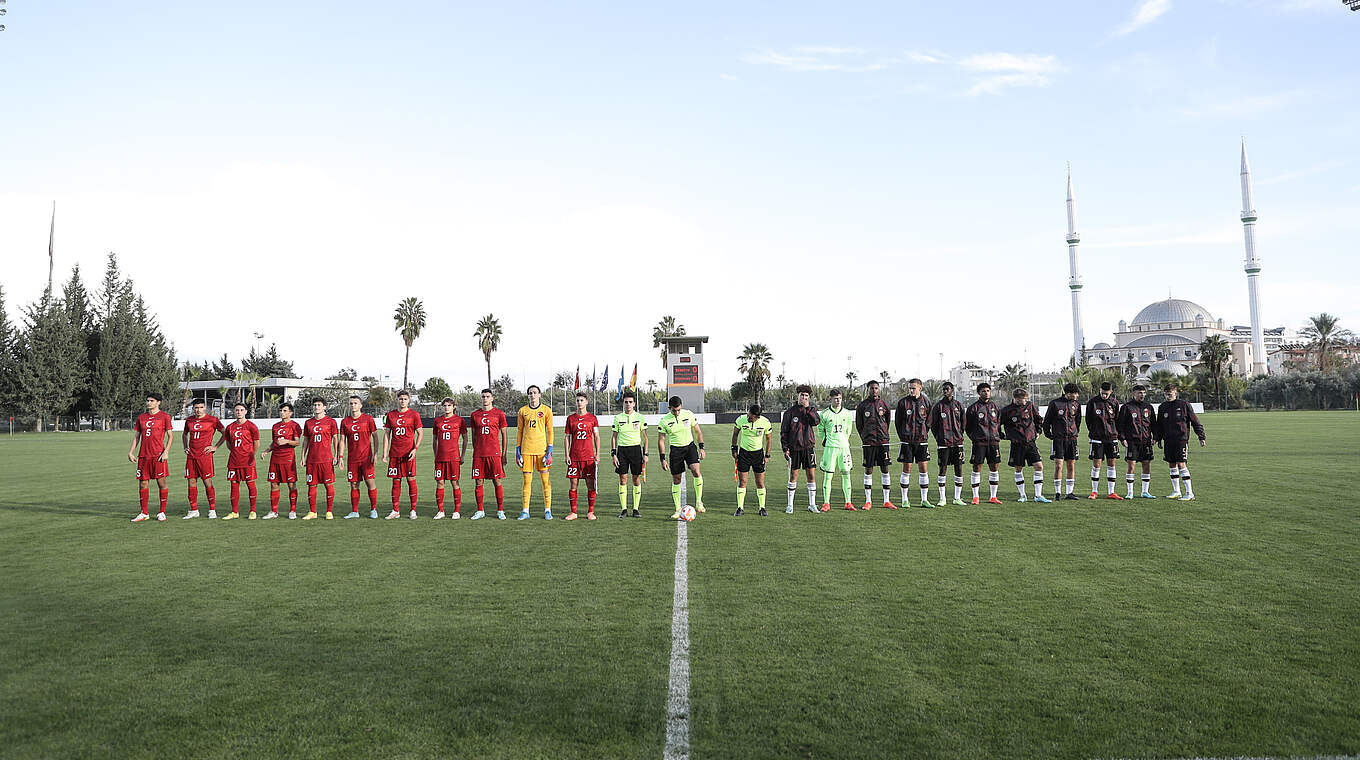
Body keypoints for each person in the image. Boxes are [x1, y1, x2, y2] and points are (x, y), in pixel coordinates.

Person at [999, 388, 1051, 503]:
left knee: (1039, 466)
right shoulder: (1006, 411)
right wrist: (1002, 435)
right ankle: (1022, 495)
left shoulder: (1030, 406)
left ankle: (1038, 495)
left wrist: (1038, 431)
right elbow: (997, 424)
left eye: (1025, 398)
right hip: (1017, 444)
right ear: (1015, 398)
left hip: (1030, 442)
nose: (1024, 401)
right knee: (1018, 469)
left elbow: (1038, 420)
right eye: (1022, 399)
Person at [1155, 383, 1206, 500]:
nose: (1168, 396)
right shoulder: (1163, 407)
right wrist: (1158, 438)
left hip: (1181, 439)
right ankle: (1176, 491)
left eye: (1170, 394)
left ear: (1176, 393)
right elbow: (1160, 425)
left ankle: (1189, 493)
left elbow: (1195, 421)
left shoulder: (1184, 405)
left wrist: (1201, 436)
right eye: (1166, 394)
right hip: (1168, 440)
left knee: (1181, 464)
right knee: (1171, 464)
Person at [129, 393, 174, 522]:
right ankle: (144, 513)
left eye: (152, 401)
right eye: (147, 400)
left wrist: (166, 452)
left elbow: (170, 436)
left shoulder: (164, 417)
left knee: (161, 483)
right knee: (143, 483)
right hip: (144, 456)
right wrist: (131, 452)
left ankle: (162, 512)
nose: (149, 403)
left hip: (158, 455)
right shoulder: (141, 417)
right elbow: (137, 436)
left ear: (158, 402)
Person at [658, 396, 705, 519]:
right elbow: (661, 440)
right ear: (669, 408)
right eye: (674, 410)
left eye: (679, 410)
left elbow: (698, 431)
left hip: (690, 447)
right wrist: (662, 458)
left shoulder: (688, 414)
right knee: (677, 479)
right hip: (675, 450)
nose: (677, 412)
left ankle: (699, 502)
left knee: (696, 470)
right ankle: (678, 509)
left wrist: (701, 448)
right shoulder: (664, 421)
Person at [180, 398, 226, 519]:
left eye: (201, 407)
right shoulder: (189, 420)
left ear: (205, 407)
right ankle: (194, 510)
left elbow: (225, 433)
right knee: (191, 482)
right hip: (191, 456)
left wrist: (215, 447)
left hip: (205, 456)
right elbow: (184, 434)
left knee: (207, 482)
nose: (198, 410)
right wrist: (185, 447)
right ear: (193, 408)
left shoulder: (212, 420)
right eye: (196, 408)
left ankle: (212, 510)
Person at [516, 385, 555, 520]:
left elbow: (550, 431)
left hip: (542, 451)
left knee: (545, 481)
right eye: (530, 393)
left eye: (534, 392)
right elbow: (520, 431)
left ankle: (547, 510)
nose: (532, 395)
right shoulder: (522, 411)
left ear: (539, 394)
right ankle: (525, 511)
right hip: (526, 451)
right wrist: (518, 450)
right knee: (527, 482)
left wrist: (550, 450)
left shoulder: (546, 410)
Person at [383, 390, 424, 519]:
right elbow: (386, 435)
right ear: (397, 400)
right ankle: (395, 510)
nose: (402, 401)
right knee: (396, 481)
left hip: (408, 454)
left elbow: (420, 433)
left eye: (405, 399)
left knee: (410, 480)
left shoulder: (414, 414)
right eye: (400, 399)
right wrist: (384, 453)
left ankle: (413, 510)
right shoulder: (391, 415)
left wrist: (415, 448)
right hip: (395, 454)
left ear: (409, 400)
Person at [469, 389, 509, 520]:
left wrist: (504, 454)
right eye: (483, 396)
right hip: (479, 454)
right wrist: (476, 450)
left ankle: (500, 510)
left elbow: (504, 435)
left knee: (497, 481)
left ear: (492, 398)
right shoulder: (475, 415)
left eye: (487, 396)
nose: (485, 399)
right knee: (478, 481)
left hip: (494, 453)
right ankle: (480, 510)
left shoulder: (499, 414)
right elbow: (473, 436)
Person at [338, 395, 381, 519]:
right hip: (352, 459)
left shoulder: (368, 419)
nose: (353, 405)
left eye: (355, 403)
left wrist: (375, 454)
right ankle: (355, 511)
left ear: (361, 405)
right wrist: (340, 457)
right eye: (351, 403)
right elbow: (342, 440)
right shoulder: (345, 421)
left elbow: (375, 437)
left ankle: (373, 509)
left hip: (366, 458)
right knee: (354, 484)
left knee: (370, 483)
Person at [855, 380, 895, 509]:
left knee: (885, 469)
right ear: (868, 390)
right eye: (872, 388)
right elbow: (859, 425)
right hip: (869, 442)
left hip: (883, 441)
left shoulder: (884, 404)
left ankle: (886, 500)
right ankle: (868, 501)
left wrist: (884, 434)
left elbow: (887, 421)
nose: (874, 390)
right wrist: (865, 437)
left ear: (879, 389)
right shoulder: (862, 406)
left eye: (876, 388)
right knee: (869, 469)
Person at [780, 385, 820, 514]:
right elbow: (784, 432)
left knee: (811, 475)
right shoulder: (790, 412)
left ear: (809, 397)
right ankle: (790, 505)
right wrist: (785, 448)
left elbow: (816, 422)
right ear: (798, 396)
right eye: (802, 395)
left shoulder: (812, 410)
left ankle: (812, 504)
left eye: (806, 396)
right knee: (793, 476)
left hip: (808, 448)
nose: (804, 397)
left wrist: (808, 409)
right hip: (794, 448)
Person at [928, 381, 968, 506]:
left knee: (959, 468)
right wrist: (939, 437)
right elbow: (933, 425)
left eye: (947, 389)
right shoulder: (938, 406)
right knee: (943, 468)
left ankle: (957, 498)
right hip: (943, 443)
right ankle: (942, 498)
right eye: (943, 389)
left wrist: (959, 435)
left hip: (957, 442)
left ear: (952, 390)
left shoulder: (959, 405)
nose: (945, 391)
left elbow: (963, 423)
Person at [815, 389, 855, 511]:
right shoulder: (824, 414)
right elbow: (820, 430)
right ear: (830, 399)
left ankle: (848, 502)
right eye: (835, 398)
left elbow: (848, 430)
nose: (838, 401)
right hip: (830, 449)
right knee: (828, 476)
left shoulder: (847, 413)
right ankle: (826, 503)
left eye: (840, 398)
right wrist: (826, 440)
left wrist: (843, 441)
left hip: (844, 448)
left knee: (846, 475)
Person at [1042, 383, 1083, 501]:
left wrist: (1075, 432)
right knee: (1058, 466)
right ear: (1067, 394)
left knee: (1071, 465)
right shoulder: (1055, 404)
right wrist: (1048, 434)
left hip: (1072, 439)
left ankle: (1070, 492)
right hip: (1059, 440)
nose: (1076, 396)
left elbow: (1078, 421)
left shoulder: (1076, 404)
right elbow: (1047, 421)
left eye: (1077, 394)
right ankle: (1058, 492)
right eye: (1074, 394)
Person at [894, 378, 931, 507]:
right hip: (907, 441)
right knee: (906, 469)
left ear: (920, 388)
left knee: (923, 469)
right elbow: (898, 422)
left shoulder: (926, 402)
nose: (911, 390)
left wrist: (924, 433)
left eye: (913, 388)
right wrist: (904, 436)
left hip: (922, 441)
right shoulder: (903, 403)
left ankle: (924, 500)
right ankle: (905, 500)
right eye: (910, 388)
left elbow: (929, 421)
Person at [964, 383, 1004, 505]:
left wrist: (997, 435)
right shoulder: (973, 408)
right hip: (979, 443)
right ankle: (975, 497)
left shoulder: (995, 407)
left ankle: (993, 496)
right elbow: (968, 427)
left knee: (994, 468)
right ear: (979, 393)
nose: (986, 393)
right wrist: (975, 438)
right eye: (983, 391)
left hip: (993, 442)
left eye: (988, 390)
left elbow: (998, 423)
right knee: (977, 467)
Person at [611, 391, 648, 518]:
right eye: (626, 402)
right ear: (623, 403)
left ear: (634, 404)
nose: (628, 404)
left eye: (630, 402)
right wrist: (613, 454)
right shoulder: (618, 418)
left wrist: (646, 454)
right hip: (622, 451)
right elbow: (614, 437)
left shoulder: (640, 417)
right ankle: (624, 509)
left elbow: (645, 438)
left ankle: (636, 509)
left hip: (636, 450)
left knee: (636, 479)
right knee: (623, 479)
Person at [1116, 384, 1157, 499]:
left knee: (1146, 464)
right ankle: (1130, 492)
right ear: (1133, 394)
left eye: (1143, 393)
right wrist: (1122, 438)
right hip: (1132, 441)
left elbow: (1153, 424)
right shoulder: (1127, 407)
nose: (1142, 395)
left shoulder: (1149, 407)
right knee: (1131, 465)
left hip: (1146, 441)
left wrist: (1155, 437)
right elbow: (1120, 425)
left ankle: (1145, 491)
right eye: (1139, 393)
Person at [731, 404, 773, 516]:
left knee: (760, 482)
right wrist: (734, 449)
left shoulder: (765, 422)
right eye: (748, 414)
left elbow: (769, 439)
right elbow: (735, 434)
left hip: (758, 455)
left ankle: (762, 508)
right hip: (744, 454)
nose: (749, 417)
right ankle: (740, 508)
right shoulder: (741, 419)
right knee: (742, 481)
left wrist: (767, 455)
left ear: (757, 417)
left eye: (751, 417)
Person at [301, 398, 340, 519]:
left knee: (328, 484)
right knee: (311, 485)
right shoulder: (308, 423)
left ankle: (329, 511)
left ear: (324, 407)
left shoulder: (331, 422)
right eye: (315, 405)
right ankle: (312, 512)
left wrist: (336, 455)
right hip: (312, 460)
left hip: (326, 459)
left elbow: (335, 439)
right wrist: (303, 457)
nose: (316, 407)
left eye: (319, 405)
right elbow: (306, 441)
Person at [262, 402, 302, 519]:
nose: (282, 413)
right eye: (281, 411)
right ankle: (274, 511)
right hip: (275, 459)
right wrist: (266, 451)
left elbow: (297, 442)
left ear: (290, 413)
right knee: (274, 484)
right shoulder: (275, 426)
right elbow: (274, 442)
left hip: (288, 459)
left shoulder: (295, 425)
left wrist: (287, 441)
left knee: (291, 484)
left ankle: (292, 511)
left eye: (285, 411)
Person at [565, 391, 600, 521]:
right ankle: (573, 512)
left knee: (590, 484)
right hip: (574, 457)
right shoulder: (571, 419)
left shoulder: (592, 418)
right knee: (573, 484)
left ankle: (590, 511)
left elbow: (596, 436)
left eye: (581, 400)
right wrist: (567, 454)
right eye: (577, 400)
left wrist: (597, 454)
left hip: (588, 457)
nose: (579, 403)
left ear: (586, 402)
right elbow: (567, 437)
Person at [1085, 381, 1123, 500]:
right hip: (1097, 439)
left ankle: (1111, 492)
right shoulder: (1092, 402)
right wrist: (1095, 432)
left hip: (1112, 438)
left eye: (1106, 393)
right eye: (1102, 393)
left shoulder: (1114, 403)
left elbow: (1117, 420)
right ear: (1100, 390)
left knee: (1111, 464)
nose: (1104, 395)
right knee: (1096, 465)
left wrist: (1115, 433)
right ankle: (1094, 491)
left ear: (1111, 392)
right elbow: (1088, 420)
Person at [431, 397, 468, 519]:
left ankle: (456, 511)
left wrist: (462, 455)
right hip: (440, 458)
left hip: (453, 457)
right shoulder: (437, 421)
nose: (446, 408)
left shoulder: (460, 420)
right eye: (445, 405)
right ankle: (440, 511)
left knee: (454, 482)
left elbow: (465, 439)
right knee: (439, 482)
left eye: (449, 405)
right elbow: (434, 440)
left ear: (454, 407)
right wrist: (436, 455)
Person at [222, 402, 260, 519]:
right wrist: (236, 452)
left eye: (241, 410)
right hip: (233, 461)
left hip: (247, 461)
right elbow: (228, 444)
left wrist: (251, 455)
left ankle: (252, 511)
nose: (239, 412)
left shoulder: (252, 426)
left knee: (250, 484)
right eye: (237, 410)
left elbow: (256, 444)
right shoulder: (230, 427)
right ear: (234, 412)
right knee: (234, 485)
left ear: (246, 412)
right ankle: (234, 512)